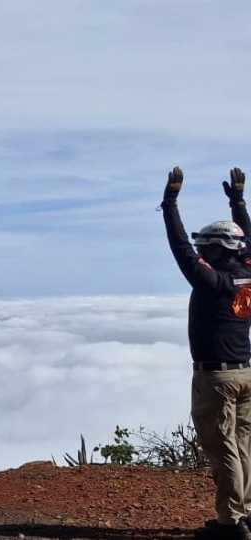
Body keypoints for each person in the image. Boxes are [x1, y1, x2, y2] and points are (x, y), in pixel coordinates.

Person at [163, 166, 251, 540]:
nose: (200, 250)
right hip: (245, 372)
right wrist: (238, 202)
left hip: (216, 377)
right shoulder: (247, 272)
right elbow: (249, 238)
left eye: (206, 246)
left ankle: (231, 522)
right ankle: (245, 513)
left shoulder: (212, 280)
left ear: (218, 248)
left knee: (222, 446)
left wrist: (170, 203)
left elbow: (180, 247)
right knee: (243, 445)